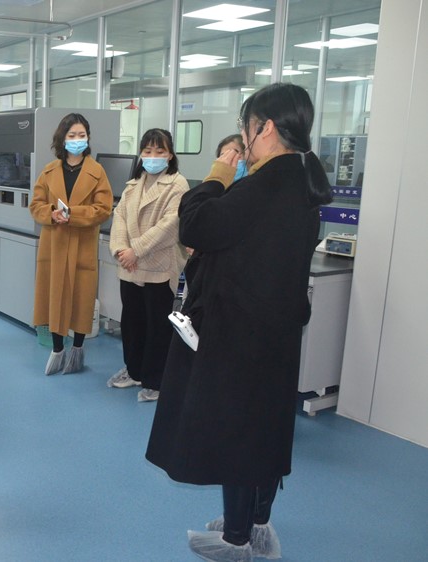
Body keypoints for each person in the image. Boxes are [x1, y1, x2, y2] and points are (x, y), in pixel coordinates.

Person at [145, 83, 333, 562]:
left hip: (240, 332)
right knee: (266, 428)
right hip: (277, 328)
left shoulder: (262, 186)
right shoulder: (302, 182)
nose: (244, 138)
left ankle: (235, 538)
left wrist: (218, 173)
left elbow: (196, 224)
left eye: (246, 127)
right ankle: (256, 521)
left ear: (265, 128)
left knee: (238, 430)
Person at [106, 129, 189, 402]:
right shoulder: (133, 185)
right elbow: (119, 217)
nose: (153, 156)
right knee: (132, 322)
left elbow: (169, 226)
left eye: (160, 151)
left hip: (158, 266)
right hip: (129, 266)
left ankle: (155, 379)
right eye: (148, 151)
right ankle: (134, 371)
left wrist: (136, 251)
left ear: (170, 155)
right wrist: (121, 250)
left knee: (157, 327)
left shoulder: (177, 185)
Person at [29, 113, 113, 375]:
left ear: (88, 138)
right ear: (62, 139)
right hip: (54, 244)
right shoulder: (49, 171)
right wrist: (51, 213)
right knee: (54, 297)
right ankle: (57, 349)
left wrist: (73, 215)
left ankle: (77, 350)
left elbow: (103, 209)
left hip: (82, 244)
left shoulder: (97, 172)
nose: (77, 140)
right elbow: (35, 205)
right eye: (72, 135)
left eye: (82, 135)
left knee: (81, 298)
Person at [181, 134, 247, 301]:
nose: (230, 160)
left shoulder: (248, 192)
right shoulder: (212, 188)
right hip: (202, 274)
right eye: (224, 155)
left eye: (236, 153)